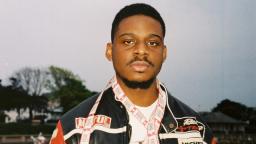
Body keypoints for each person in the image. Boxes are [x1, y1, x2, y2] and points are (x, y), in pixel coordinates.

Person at [50, 3, 217, 144]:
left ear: (164, 53)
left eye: (153, 43)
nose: (141, 50)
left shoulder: (198, 131)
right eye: (128, 41)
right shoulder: (71, 131)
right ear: (110, 51)